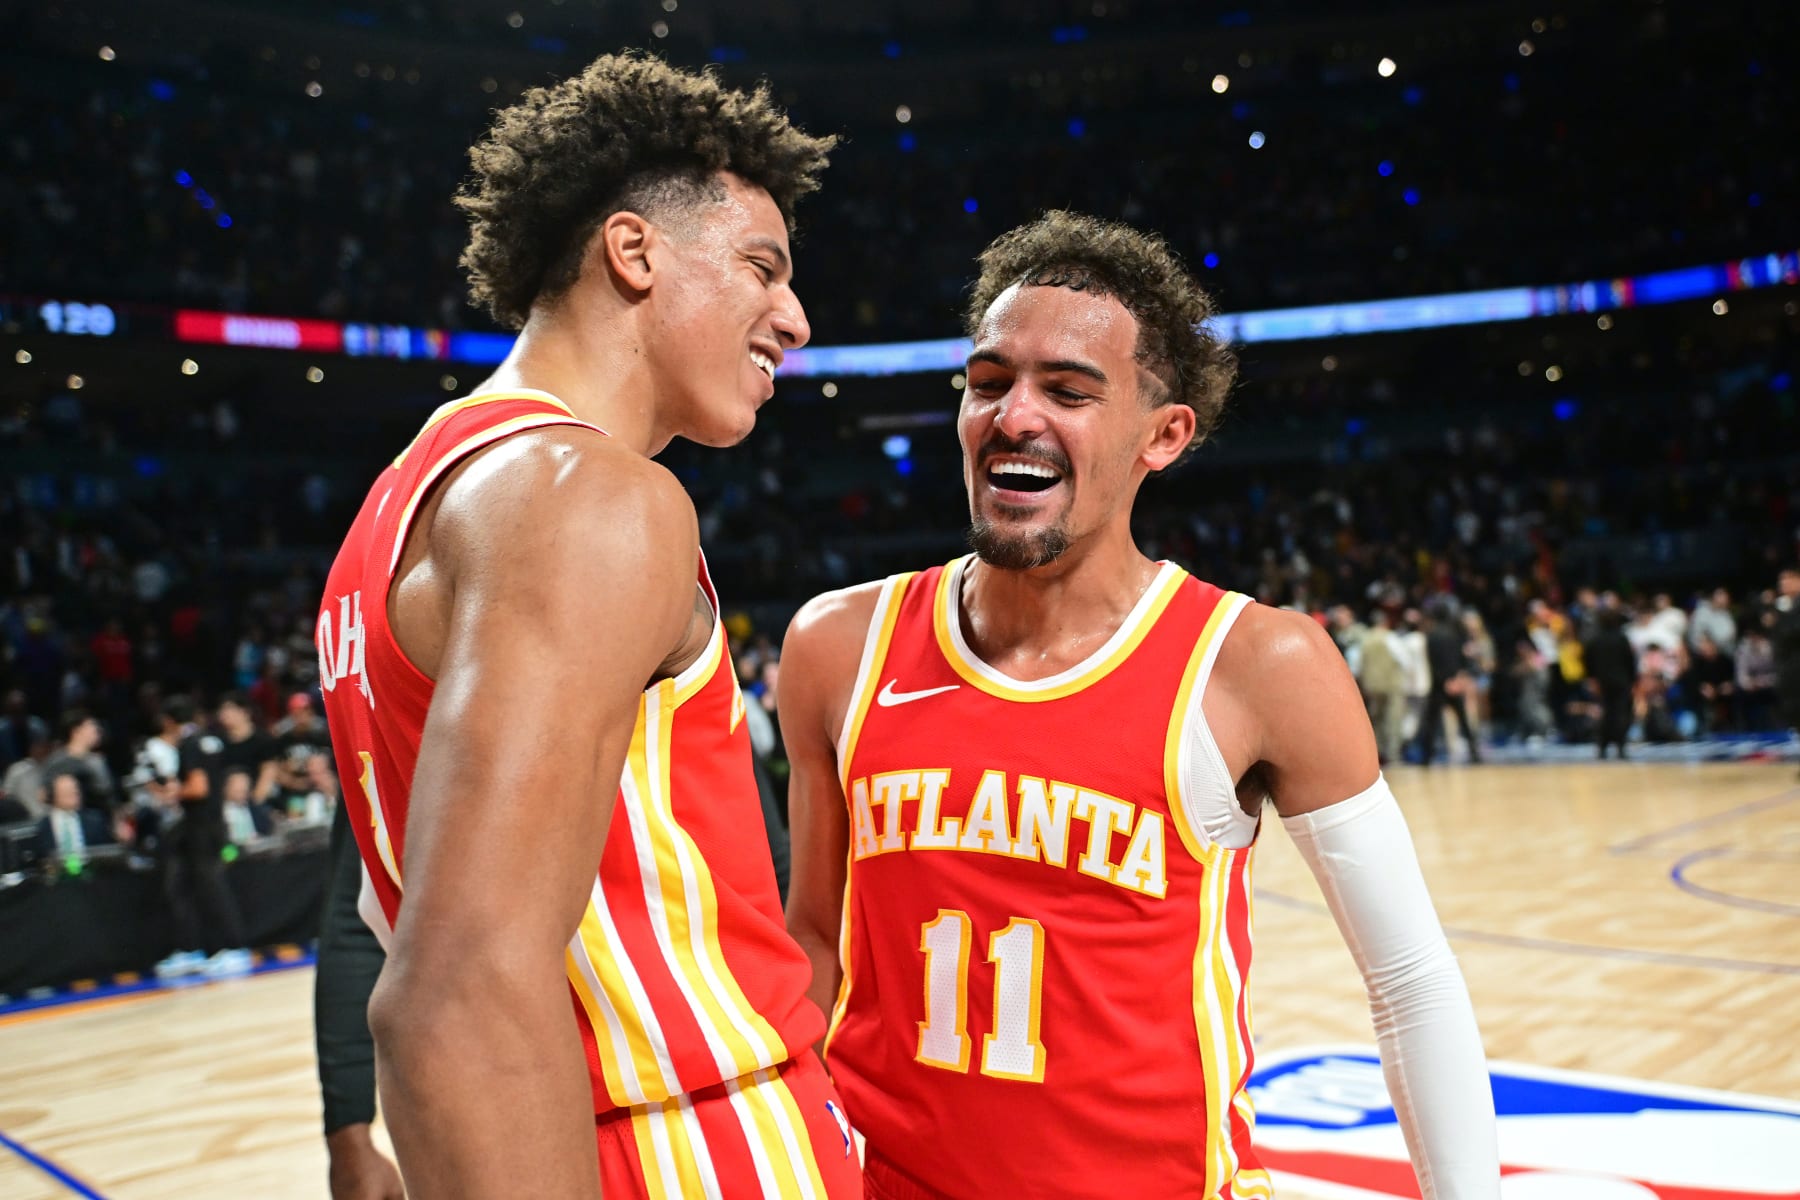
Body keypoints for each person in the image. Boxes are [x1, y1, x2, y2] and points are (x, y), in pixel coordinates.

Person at [780, 212, 1496, 1199]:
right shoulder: (837, 647)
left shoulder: (1257, 664)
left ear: (1164, 435)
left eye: (1068, 391)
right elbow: (816, 942)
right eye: (988, 383)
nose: (1014, 415)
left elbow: (1410, 983)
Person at [316, 53, 858, 1199]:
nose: (796, 320)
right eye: (763, 268)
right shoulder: (587, 496)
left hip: (560, 1135)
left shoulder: (399, 501)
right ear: (634, 252)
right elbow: (455, 991)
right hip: (686, 1137)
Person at [1584, 609, 1638, 759]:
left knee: (1605, 714)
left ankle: (1602, 747)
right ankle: (1620, 747)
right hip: (1621, 682)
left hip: (1602, 683)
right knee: (1620, 714)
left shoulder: (1595, 640)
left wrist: (1592, 679)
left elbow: (1588, 662)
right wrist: (1633, 680)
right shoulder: (1621, 639)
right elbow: (1630, 662)